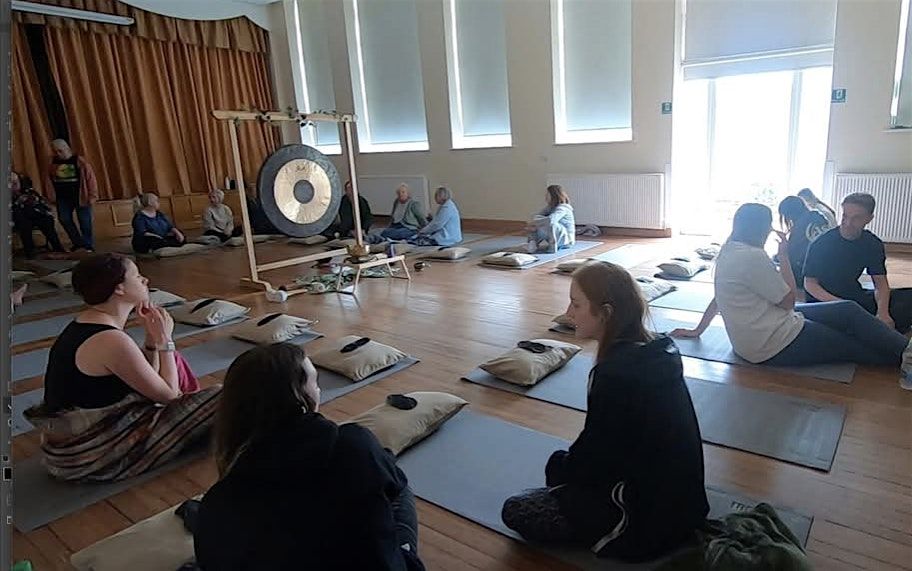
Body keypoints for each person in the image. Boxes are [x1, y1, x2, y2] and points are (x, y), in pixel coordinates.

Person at [501, 261, 709, 562]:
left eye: (576, 305)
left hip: (645, 518)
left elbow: (597, 460)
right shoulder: (659, 349)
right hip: (688, 503)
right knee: (563, 466)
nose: (569, 313)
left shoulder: (614, 374)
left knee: (517, 508)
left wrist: (560, 472)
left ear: (607, 313)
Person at [194, 343, 425, 571]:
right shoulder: (351, 444)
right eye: (315, 381)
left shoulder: (219, 498)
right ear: (298, 396)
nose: (319, 390)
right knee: (395, 480)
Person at [671, 203, 912, 388]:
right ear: (762, 228)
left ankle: (906, 350)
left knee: (847, 309)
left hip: (769, 327)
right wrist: (784, 256)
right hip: (773, 343)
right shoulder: (752, 257)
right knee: (854, 346)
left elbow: (719, 297)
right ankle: (907, 358)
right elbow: (789, 302)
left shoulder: (727, 251)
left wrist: (698, 330)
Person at [25, 254, 220, 481]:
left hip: (72, 447)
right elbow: (170, 396)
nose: (145, 280)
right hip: (90, 454)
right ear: (119, 289)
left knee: (173, 360)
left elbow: (149, 379)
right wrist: (165, 340)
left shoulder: (91, 322)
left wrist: (152, 339)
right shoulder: (109, 339)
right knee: (221, 394)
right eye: (137, 276)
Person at [803, 192, 911, 333]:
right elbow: (810, 284)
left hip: (853, 297)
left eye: (856, 218)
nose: (848, 223)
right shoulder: (821, 243)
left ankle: (873, 325)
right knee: (848, 318)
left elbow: (880, 284)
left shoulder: (872, 244)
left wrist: (883, 313)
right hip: (823, 302)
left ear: (869, 219)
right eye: (845, 216)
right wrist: (841, 304)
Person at [46, 139, 98, 252]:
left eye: (60, 151)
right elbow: (49, 180)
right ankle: (78, 243)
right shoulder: (53, 163)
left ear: (67, 149)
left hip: (81, 197)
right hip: (62, 198)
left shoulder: (80, 162)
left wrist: (92, 195)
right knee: (64, 219)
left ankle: (88, 245)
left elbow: (90, 179)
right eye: (55, 151)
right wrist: (51, 196)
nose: (58, 154)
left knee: (85, 222)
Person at [777, 195, 832, 293]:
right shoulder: (820, 218)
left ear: (789, 214)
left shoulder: (799, 226)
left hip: (806, 275)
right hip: (827, 272)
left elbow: (793, 256)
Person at [11, 171, 65, 258]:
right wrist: (17, 202)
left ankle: (57, 248)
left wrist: (29, 200)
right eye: (11, 183)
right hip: (17, 219)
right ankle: (30, 251)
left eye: (15, 182)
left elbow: (40, 202)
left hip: (34, 215)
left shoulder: (28, 190)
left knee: (46, 220)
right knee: (23, 223)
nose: (14, 185)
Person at [526, 185, 575, 254]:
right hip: (556, 235)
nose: (545, 197)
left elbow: (551, 220)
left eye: (547, 195)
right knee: (537, 223)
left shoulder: (563, 208)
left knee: (551, 223)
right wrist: (533, 222)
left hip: (566, 240)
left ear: (554, 195)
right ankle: (533, 242)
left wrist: (535, 222)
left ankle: (552, 246)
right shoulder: (549, 207)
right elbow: (536, 216)